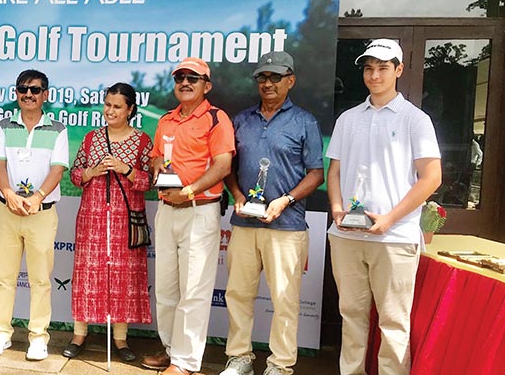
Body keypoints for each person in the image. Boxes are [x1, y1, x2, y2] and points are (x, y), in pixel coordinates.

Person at [327, 39, 441, 375]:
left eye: (383, 67)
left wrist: (390, 218)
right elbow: (334, 171)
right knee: (351, 316)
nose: (374, 75)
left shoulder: (414, 119)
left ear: (398, 70)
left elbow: (431, 177)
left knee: (393, 323)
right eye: (368, 68)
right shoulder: (348, 119)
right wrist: (336, 209)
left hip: (395, 237)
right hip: (347, 235)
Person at [220, 51, 325, 375]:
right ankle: (239, 357)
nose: (268, 83)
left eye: (275, 77)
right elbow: (229, 167)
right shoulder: (242, 119)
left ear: (290, 81)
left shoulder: (305, 121)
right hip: (245, 221)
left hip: (287, 225)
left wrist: (286, 200)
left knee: (284, 300)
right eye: (263, 78)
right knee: (238, 294)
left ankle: (280, 365)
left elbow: (316, 173)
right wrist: (236, 195)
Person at [141, 57, 235, 375]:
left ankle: (185, 362)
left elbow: (222, 165)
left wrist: (190, 191)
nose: (185, 82)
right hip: (166, 211)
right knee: (166, 289)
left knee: (193, 290)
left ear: (206, 85)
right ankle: (170, 350)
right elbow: (156, 157)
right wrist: (157, 168)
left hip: (199, 210)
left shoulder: (216, 118)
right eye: (180, 77)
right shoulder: (166, 120)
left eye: (193, 78)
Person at [0, 69, 69, 361]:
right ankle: (1, 334)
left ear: (46, 94)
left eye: (35, 90)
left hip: (41, 212)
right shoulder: (5, 125)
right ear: (16, 93)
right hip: (7, 209)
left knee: (40, 279)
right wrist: (8, 193)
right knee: (4, 276)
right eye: (23, 89)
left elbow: (57, 170)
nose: (28, 95)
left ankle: (38, 337)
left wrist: (37, 197)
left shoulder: (58, 129)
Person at [65, 82, 153, 362]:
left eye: (117, 106)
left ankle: (121, 339)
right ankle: (80, 334)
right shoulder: (92, 138)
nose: (110, 111)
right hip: (92, 217)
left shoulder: (142, 141)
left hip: (126, 220)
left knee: (123, 278)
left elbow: (148, 182)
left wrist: (126, 169)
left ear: (130, 109)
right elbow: (75, 175)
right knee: (88, 274)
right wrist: (92, 171)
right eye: (107, 105)